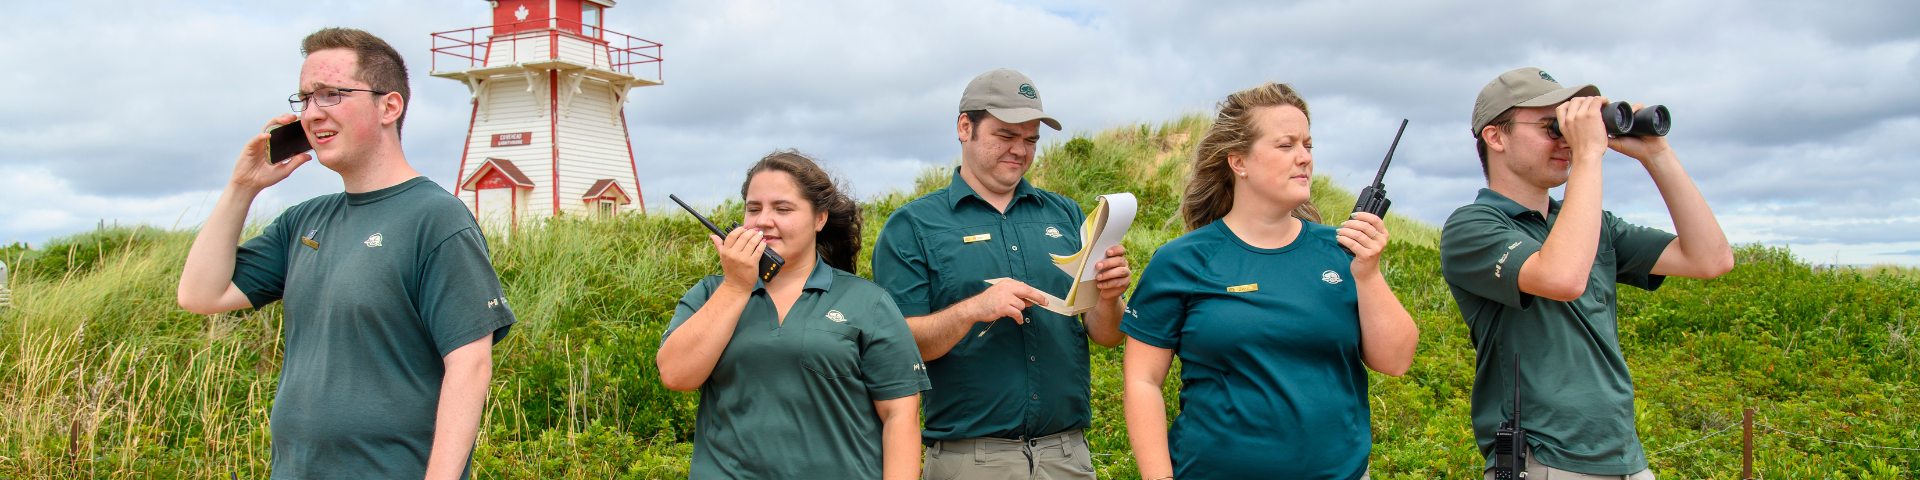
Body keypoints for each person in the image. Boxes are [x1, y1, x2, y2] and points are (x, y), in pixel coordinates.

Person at [175, 28, 515, 479]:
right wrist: (243, 187)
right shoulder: (304, 221)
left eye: (331, 94)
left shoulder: (436, 218)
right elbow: (201, 294)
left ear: (389, 107)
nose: (312, 113)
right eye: (305, 98)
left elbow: (470, 366)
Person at [1442, 67, 1735, 479]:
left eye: (1569, 127)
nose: (1566, 140)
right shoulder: (1472, 227)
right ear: (1496, 137)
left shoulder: (1590, 224)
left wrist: (1657, 154)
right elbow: (1562, 277)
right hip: (1544, 459)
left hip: (1624, 458)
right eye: (1552, 127)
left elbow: (1711, 259)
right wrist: (1590, 156)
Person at [1119, 82, 1419, 480]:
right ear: (1239, 162)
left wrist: (1368, 273)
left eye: (1308, 145)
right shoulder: (1182, 260)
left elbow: (1395, 361)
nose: (1304, 158)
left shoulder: (1343, 252)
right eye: (1286, 145)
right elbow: (1142, 380)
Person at [871, 68, 1132, 480]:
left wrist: (1110, 296)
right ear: (964, 128)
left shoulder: (1065, 215)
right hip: (970, 462)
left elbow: (1106, 333)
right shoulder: (913, 227)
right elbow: (897, 348)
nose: (1020, 151)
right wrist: (972, 310)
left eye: (1030, 140)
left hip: (1067, 458)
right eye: (1006, 136)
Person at [657, 151, 930, 479]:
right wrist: (735, 287)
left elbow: (900, 415)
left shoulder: (867, 302)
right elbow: (676, 375)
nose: (763, 220)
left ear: (819, 218)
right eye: (754, 208)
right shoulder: (708, 294)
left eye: (782, 208)